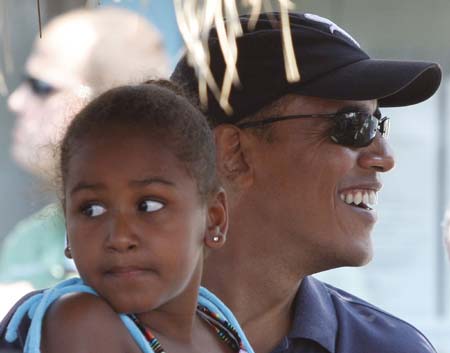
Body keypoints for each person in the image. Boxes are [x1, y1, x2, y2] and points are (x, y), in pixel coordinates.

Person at [171, 12, 442, 353]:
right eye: (353, 125)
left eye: (377, 122)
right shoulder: (95, 334)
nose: (385, 157)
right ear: (234, 152)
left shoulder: (391, 347)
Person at [1, 81, 253, 353]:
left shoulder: (219, 326)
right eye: (91, 210)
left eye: (148, 206)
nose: (119, 237)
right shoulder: (81, 323)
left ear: (213, 218)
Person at [1, 6, 169, 289]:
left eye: (41, 86)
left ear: (104, 105)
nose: (15, 101)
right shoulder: (31, 238)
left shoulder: (172, 233)